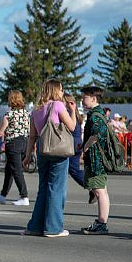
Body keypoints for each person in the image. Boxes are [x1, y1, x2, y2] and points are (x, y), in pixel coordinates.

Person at [23, 79, 77, 237]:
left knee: (43, 188)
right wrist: (72, 111)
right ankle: (53, 228)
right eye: (61, 89)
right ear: (55, 90)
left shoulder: (36, 109)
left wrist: (27, 156)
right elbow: (72, 127)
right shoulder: (58, 105)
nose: (62, 92)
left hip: (42, 149)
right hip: (57, 149)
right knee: (56, 188)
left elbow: (32, 136)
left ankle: (35, 226)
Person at [80, 86, 111, 235]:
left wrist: (85, 147)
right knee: (100, 190)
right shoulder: (97, 113)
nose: (82, 100)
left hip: (96, 159)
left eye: (84, 97)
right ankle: (101, 222)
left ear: (93, 98)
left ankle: (101, 224)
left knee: (100, 191)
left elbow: (98, 134)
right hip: (96, 158)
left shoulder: (95, 116)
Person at [0, 90, 30, 206]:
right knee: (9, 170)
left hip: (13, 144)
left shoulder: (9, 114)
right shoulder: (26, 113)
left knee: (17, 170)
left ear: (11, 100)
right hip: (24, 142)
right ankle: (3, 195)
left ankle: (24, 196)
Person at [64, 94, 85, 188]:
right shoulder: (76, 114)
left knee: (69, 170)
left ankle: (90, 184)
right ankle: (90, 184)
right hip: (78, 143)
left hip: (70, 144)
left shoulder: (67, 113)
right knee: (74, 169)